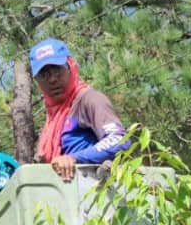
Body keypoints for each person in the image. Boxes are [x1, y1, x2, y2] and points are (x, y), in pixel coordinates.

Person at [29, 38, 130, 182]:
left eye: (57, 70)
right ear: (37, 82)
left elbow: (120, 140)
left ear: (71, 66)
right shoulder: (53, 120)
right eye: (44, 74)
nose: (52, 80)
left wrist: (73, 158)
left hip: (95, 192)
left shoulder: (88, 100)